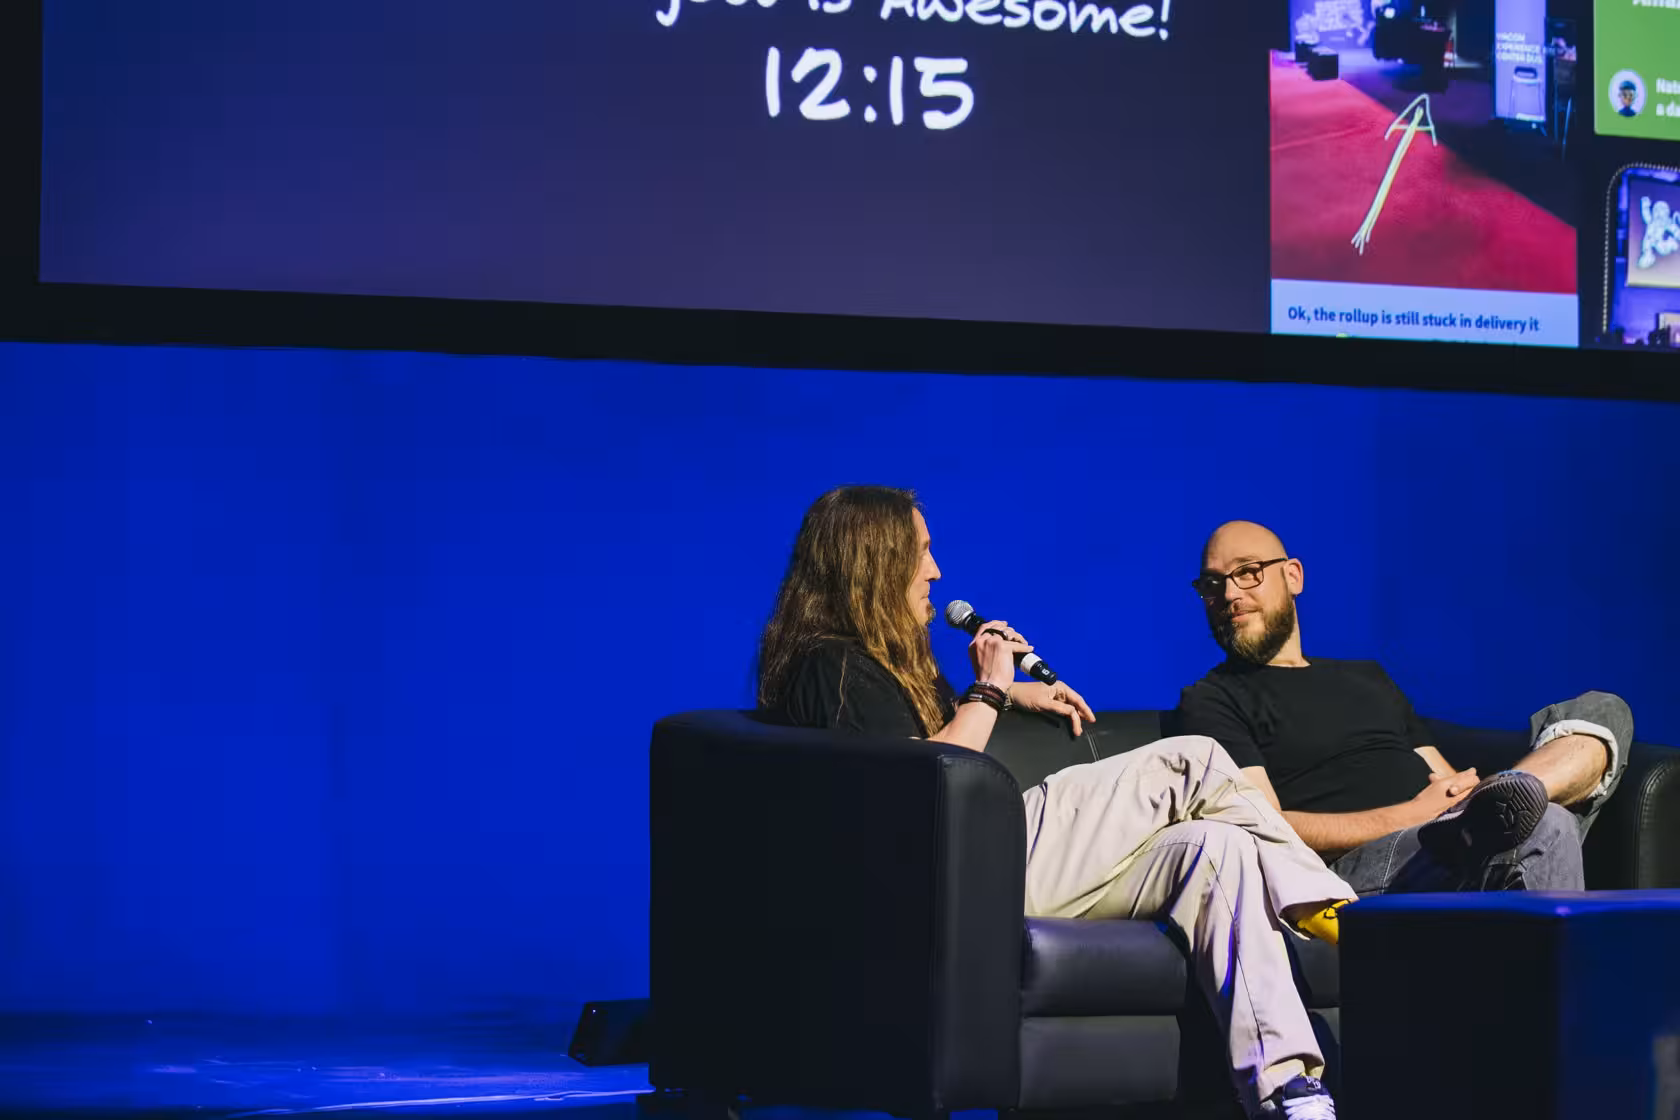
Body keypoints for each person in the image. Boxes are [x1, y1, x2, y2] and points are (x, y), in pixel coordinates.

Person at [758, 487, 1357, 1120]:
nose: (935, 570)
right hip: (958, 877)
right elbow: (917, 786)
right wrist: (990, 688)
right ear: (873, 560)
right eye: (921, 552)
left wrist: (1014, 693)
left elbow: (914, 738)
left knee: (1218, 848)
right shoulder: (832, 663)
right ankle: (1353, 927)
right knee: (1194, 761)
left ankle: (1289, 1093)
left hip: (983, 869)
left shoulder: (879, 661)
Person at [1175, 520, 1631, 896]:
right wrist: (1413, 815)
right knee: (1546, 824)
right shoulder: (1210, 699)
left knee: (1603, 709)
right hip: (1350, 870)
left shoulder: (1366, 677)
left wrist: (1462, 800)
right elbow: (1264, 826)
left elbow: (1442, 775)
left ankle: (1511, 796)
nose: (1230, 594)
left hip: (1448, 835)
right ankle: (1507, 809)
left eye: (1248, 572)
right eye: (1213, 584)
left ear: (1292, 576)